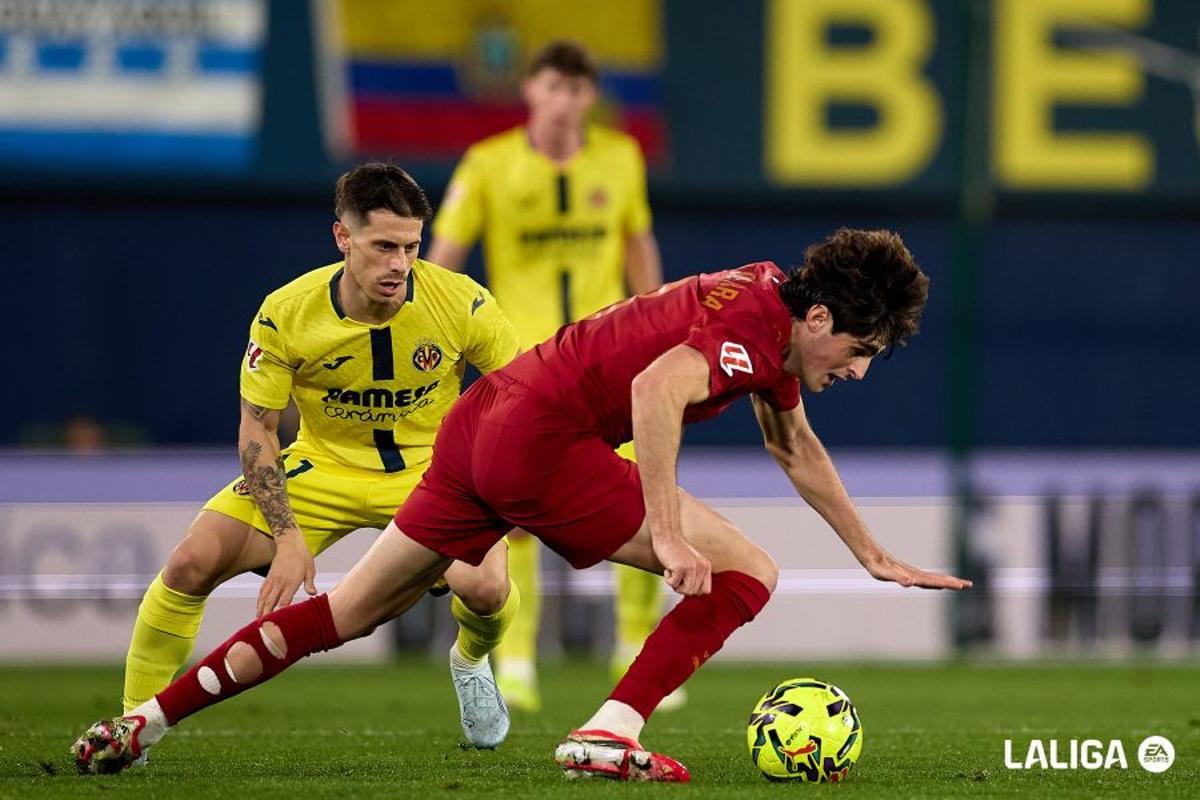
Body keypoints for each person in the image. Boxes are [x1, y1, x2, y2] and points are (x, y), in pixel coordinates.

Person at [74, 228, 971, 782]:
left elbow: (793, 445)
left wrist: (870, 553)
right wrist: (665, 531)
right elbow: (658, 389)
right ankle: (611, 730)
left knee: (347, 611)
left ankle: (147, 721)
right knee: (751, 572)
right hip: (544, 442)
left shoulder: (770, 303)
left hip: (481, 423)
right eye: (861, 350)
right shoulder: (754, 328)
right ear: (821, 320)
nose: (858, 370)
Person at [117, 163, 521, 753]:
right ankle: (131, 726)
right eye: (383, 247)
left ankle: (470, 659)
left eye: (411, 247)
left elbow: (523, 397)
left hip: (433, 473)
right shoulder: (287, 312)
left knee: (485, 588)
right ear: (342, 237)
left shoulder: (462, 302)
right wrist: (286, 537)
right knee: (190, 563)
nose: (400, 264)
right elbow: (257, 429)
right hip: (323, 467)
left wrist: (509, 486)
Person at [426, 39, 667, 712]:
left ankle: (635, 643)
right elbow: (443, 263)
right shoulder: (488, 163)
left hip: (608, 357)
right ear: (530, 90)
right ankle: (518, 658)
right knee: (517, 509)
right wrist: (437, 332)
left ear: (591, 97)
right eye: (553, 86)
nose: (564, 101)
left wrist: (658, 328)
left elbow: (638, 243)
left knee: (644, 490)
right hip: (523, 359)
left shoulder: (621, 158)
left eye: (577, 88)